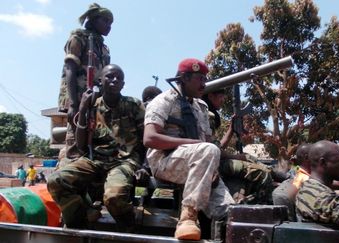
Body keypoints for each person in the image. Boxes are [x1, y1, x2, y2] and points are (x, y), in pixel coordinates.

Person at [143, 58, 234, 240]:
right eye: (199, 79)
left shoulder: (201, 107)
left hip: (199, 163)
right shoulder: (163, 101)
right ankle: (188, 218)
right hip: (165, 162)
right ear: (184, 78)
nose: (204, 84)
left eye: (204, 79)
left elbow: (209, 144)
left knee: (231, 213)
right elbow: (150, 138)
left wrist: (212, 165)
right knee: (208, 150)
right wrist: (195, 145)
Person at [48, 64, 145, 232]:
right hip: (95, 159)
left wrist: (145, 167)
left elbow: (146, 139)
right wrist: (83, 108)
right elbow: (81, 145)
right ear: (100, 81)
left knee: (114, 197)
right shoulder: (92, 105)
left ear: (123, 84)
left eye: (119, 78)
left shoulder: (133, 105)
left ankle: (129, 228)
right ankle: (83, 218)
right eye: (110, 76)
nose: (115, 80)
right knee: (56, 181)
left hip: (123, 161)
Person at [57, 3, 113, 159]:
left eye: (111, 23)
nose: (109, 26)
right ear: (94, 20)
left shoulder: (103, 48)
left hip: (96, 102)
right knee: (75, 143)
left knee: (93, 143)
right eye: (105, 21)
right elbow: (70, 69)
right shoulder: (78, 38)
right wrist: (74, 104)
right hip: (79, 98)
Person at [203, 89, 274, 204]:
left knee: (249, 158)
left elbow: (218, 147)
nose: (223, 100)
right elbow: (215, 151)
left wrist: (231, 129)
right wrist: (237, 157)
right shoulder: (206, 115)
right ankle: (259, 209)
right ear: (211, 96)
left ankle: (273, 172)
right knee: (262, 174)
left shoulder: (206, 114)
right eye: (221, 96)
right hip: (211, 164)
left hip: (214, 161)